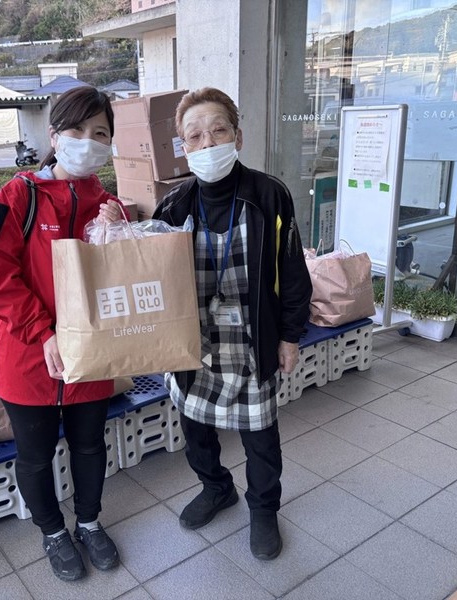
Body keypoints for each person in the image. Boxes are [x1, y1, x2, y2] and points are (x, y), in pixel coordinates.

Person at [152, 87, 312, 560]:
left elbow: (293, 272)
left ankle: (263, 509)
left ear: (238, 137)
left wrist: (290, 336)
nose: (207, 143)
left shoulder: (269, 195)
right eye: (194, 136)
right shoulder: (174, 205)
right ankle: (216, 487)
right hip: (193, 341)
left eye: (218, 130)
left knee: (260, 436)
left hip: (252, 338)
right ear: (183, 147)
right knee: (195, 427)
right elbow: (149, 274)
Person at [0, 86, 123, 582]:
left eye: (99, 133)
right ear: (54, 136)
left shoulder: (109, 205)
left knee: (90, 445)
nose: (88, 142)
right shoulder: (18, 196)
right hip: (28, 357)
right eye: (77, 130)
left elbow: (122, 278)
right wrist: (43, 332)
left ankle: (89, 522)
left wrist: (118, 231)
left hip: (91, 355)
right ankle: (53, 532)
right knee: (36, 456)